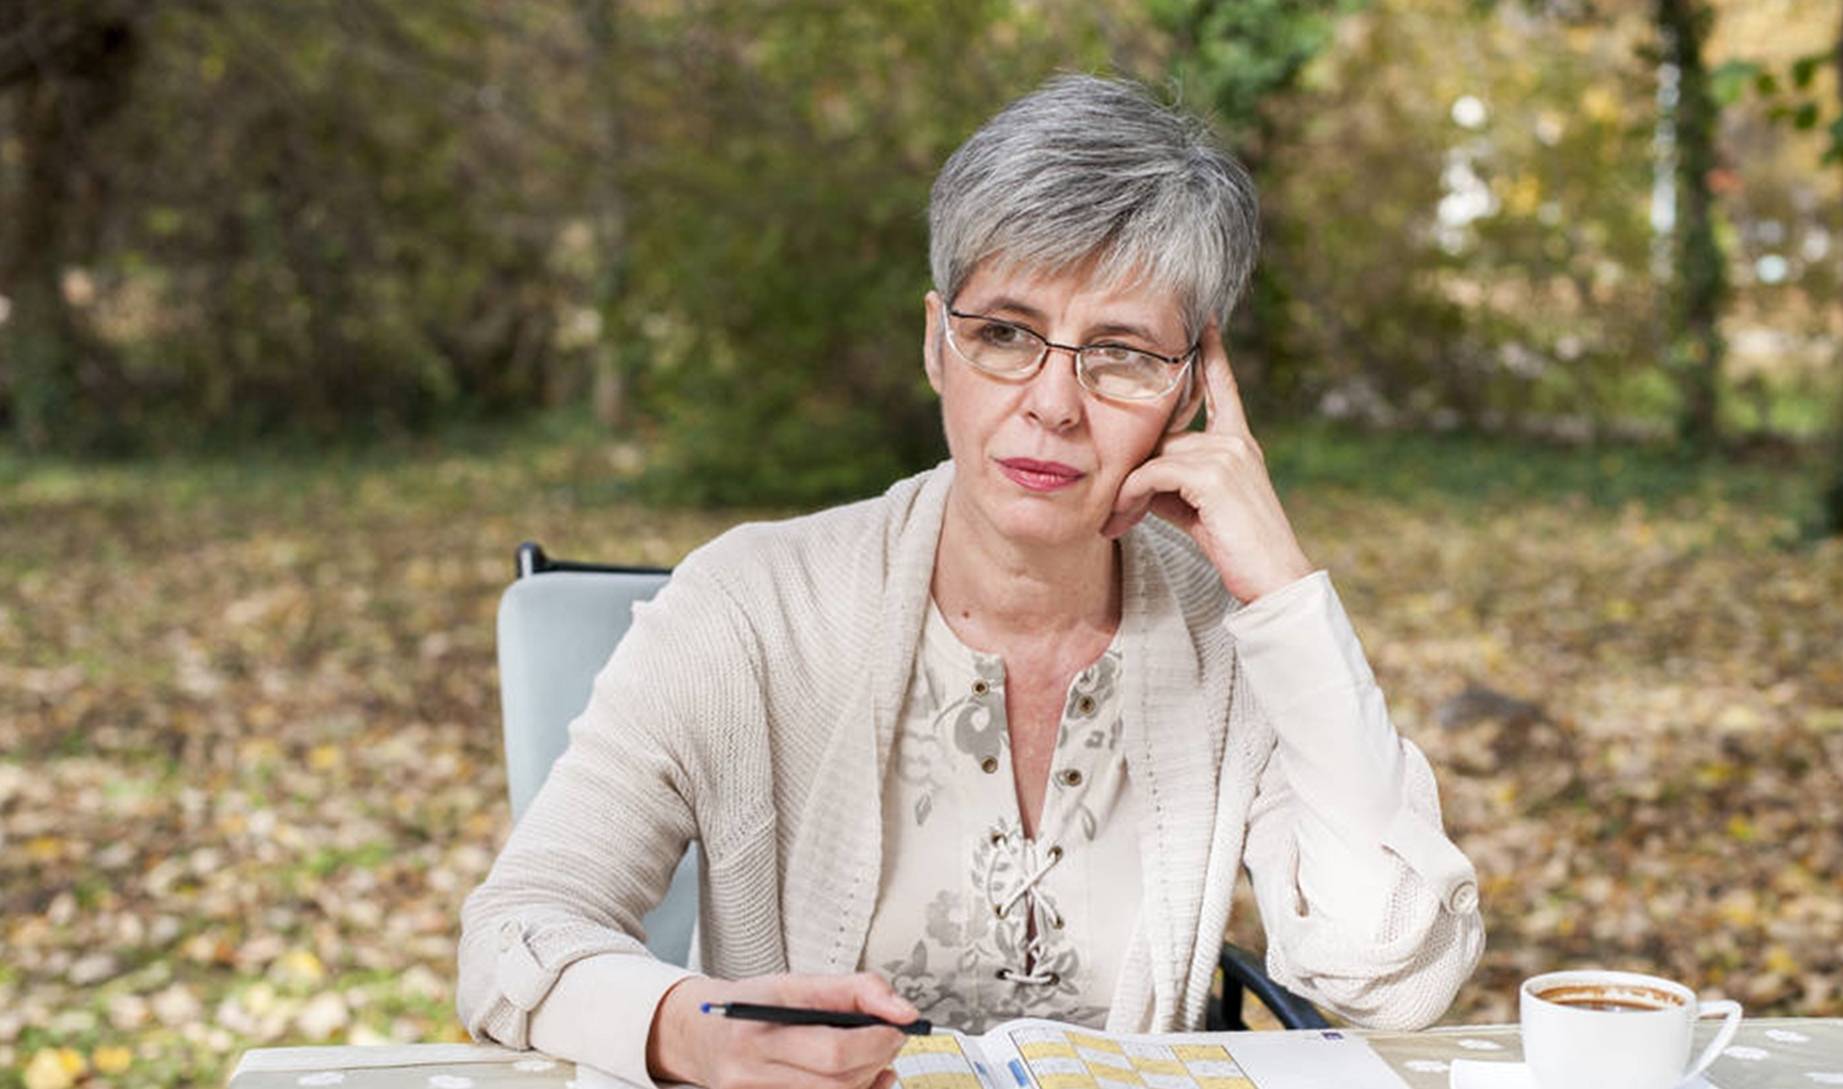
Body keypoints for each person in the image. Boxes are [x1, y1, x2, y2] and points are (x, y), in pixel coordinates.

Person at [456, 73, 1485, 1089]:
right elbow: (516, 933)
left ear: (1189, 397)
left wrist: (1286, 600)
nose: (1053, 404)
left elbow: (1390, 980)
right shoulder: (747, 606)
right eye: (1004, 334)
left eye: (1121, 353)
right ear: (934, 344)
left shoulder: (1237, 638)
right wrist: (692, 1031)